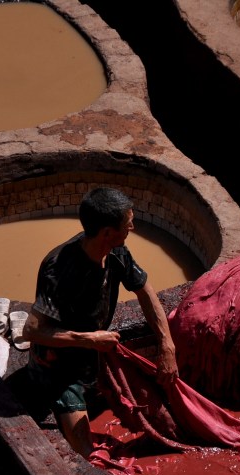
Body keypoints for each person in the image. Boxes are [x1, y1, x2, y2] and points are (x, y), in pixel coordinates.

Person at [23, 187, 178, 456]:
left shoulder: (117, 252)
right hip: (59, 366)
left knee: (163, 419)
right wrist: (90, 339)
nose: (132, 227)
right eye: (128, 224)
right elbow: (32, 330)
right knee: (85, 450)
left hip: (94, 355)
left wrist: (167, 344)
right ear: (107, 232)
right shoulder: (59, 268)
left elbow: (145, 292)